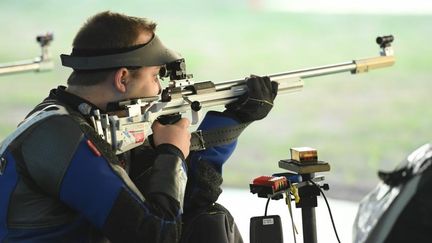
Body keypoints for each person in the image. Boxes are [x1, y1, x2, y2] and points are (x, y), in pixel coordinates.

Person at [0, 11, 278, 242]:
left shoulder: (85, 119)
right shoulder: (61, 137)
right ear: (122, 79)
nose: (159, 89)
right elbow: (158, 235)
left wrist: (235, 119)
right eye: (155, 76)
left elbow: (191, 200)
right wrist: (170, 152)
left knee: (209, 221)